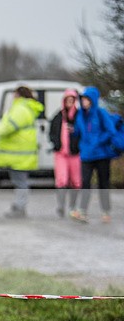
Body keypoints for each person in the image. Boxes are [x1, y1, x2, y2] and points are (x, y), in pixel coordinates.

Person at [0, 85, 43, 218]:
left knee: (20, 182)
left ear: (18, 95)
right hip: (21, 152)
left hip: (18, 153)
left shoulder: (20, 109)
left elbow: (7, 127)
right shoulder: (26, 108)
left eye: (14, 94)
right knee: (19, 181)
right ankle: (19, 206)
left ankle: (20, 207)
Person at [71, 86, 118, 224]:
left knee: (103, 183)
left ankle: (105, 211)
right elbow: (78, 132)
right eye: (82, 99)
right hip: (86, 154)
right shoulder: (80, 115)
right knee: (85, 182)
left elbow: (111, 131)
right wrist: (72, 131)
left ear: (92, 100)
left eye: (86, 99)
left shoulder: (101, 113)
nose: (83, 101)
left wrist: (98, 141)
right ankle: (82, 211)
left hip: (101, 154)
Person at [49, 89, 81, 218]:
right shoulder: (58, 116)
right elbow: (52, 132)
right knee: (61, 179)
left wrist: (74, 133)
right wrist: (56, 143)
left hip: (75, 153)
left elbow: (83, 132)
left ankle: (72, 206)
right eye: (67, 100)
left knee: (76, 181)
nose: (69, 103)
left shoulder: (79, 116)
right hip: (61, 153)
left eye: (72, 100)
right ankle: (61, 206)